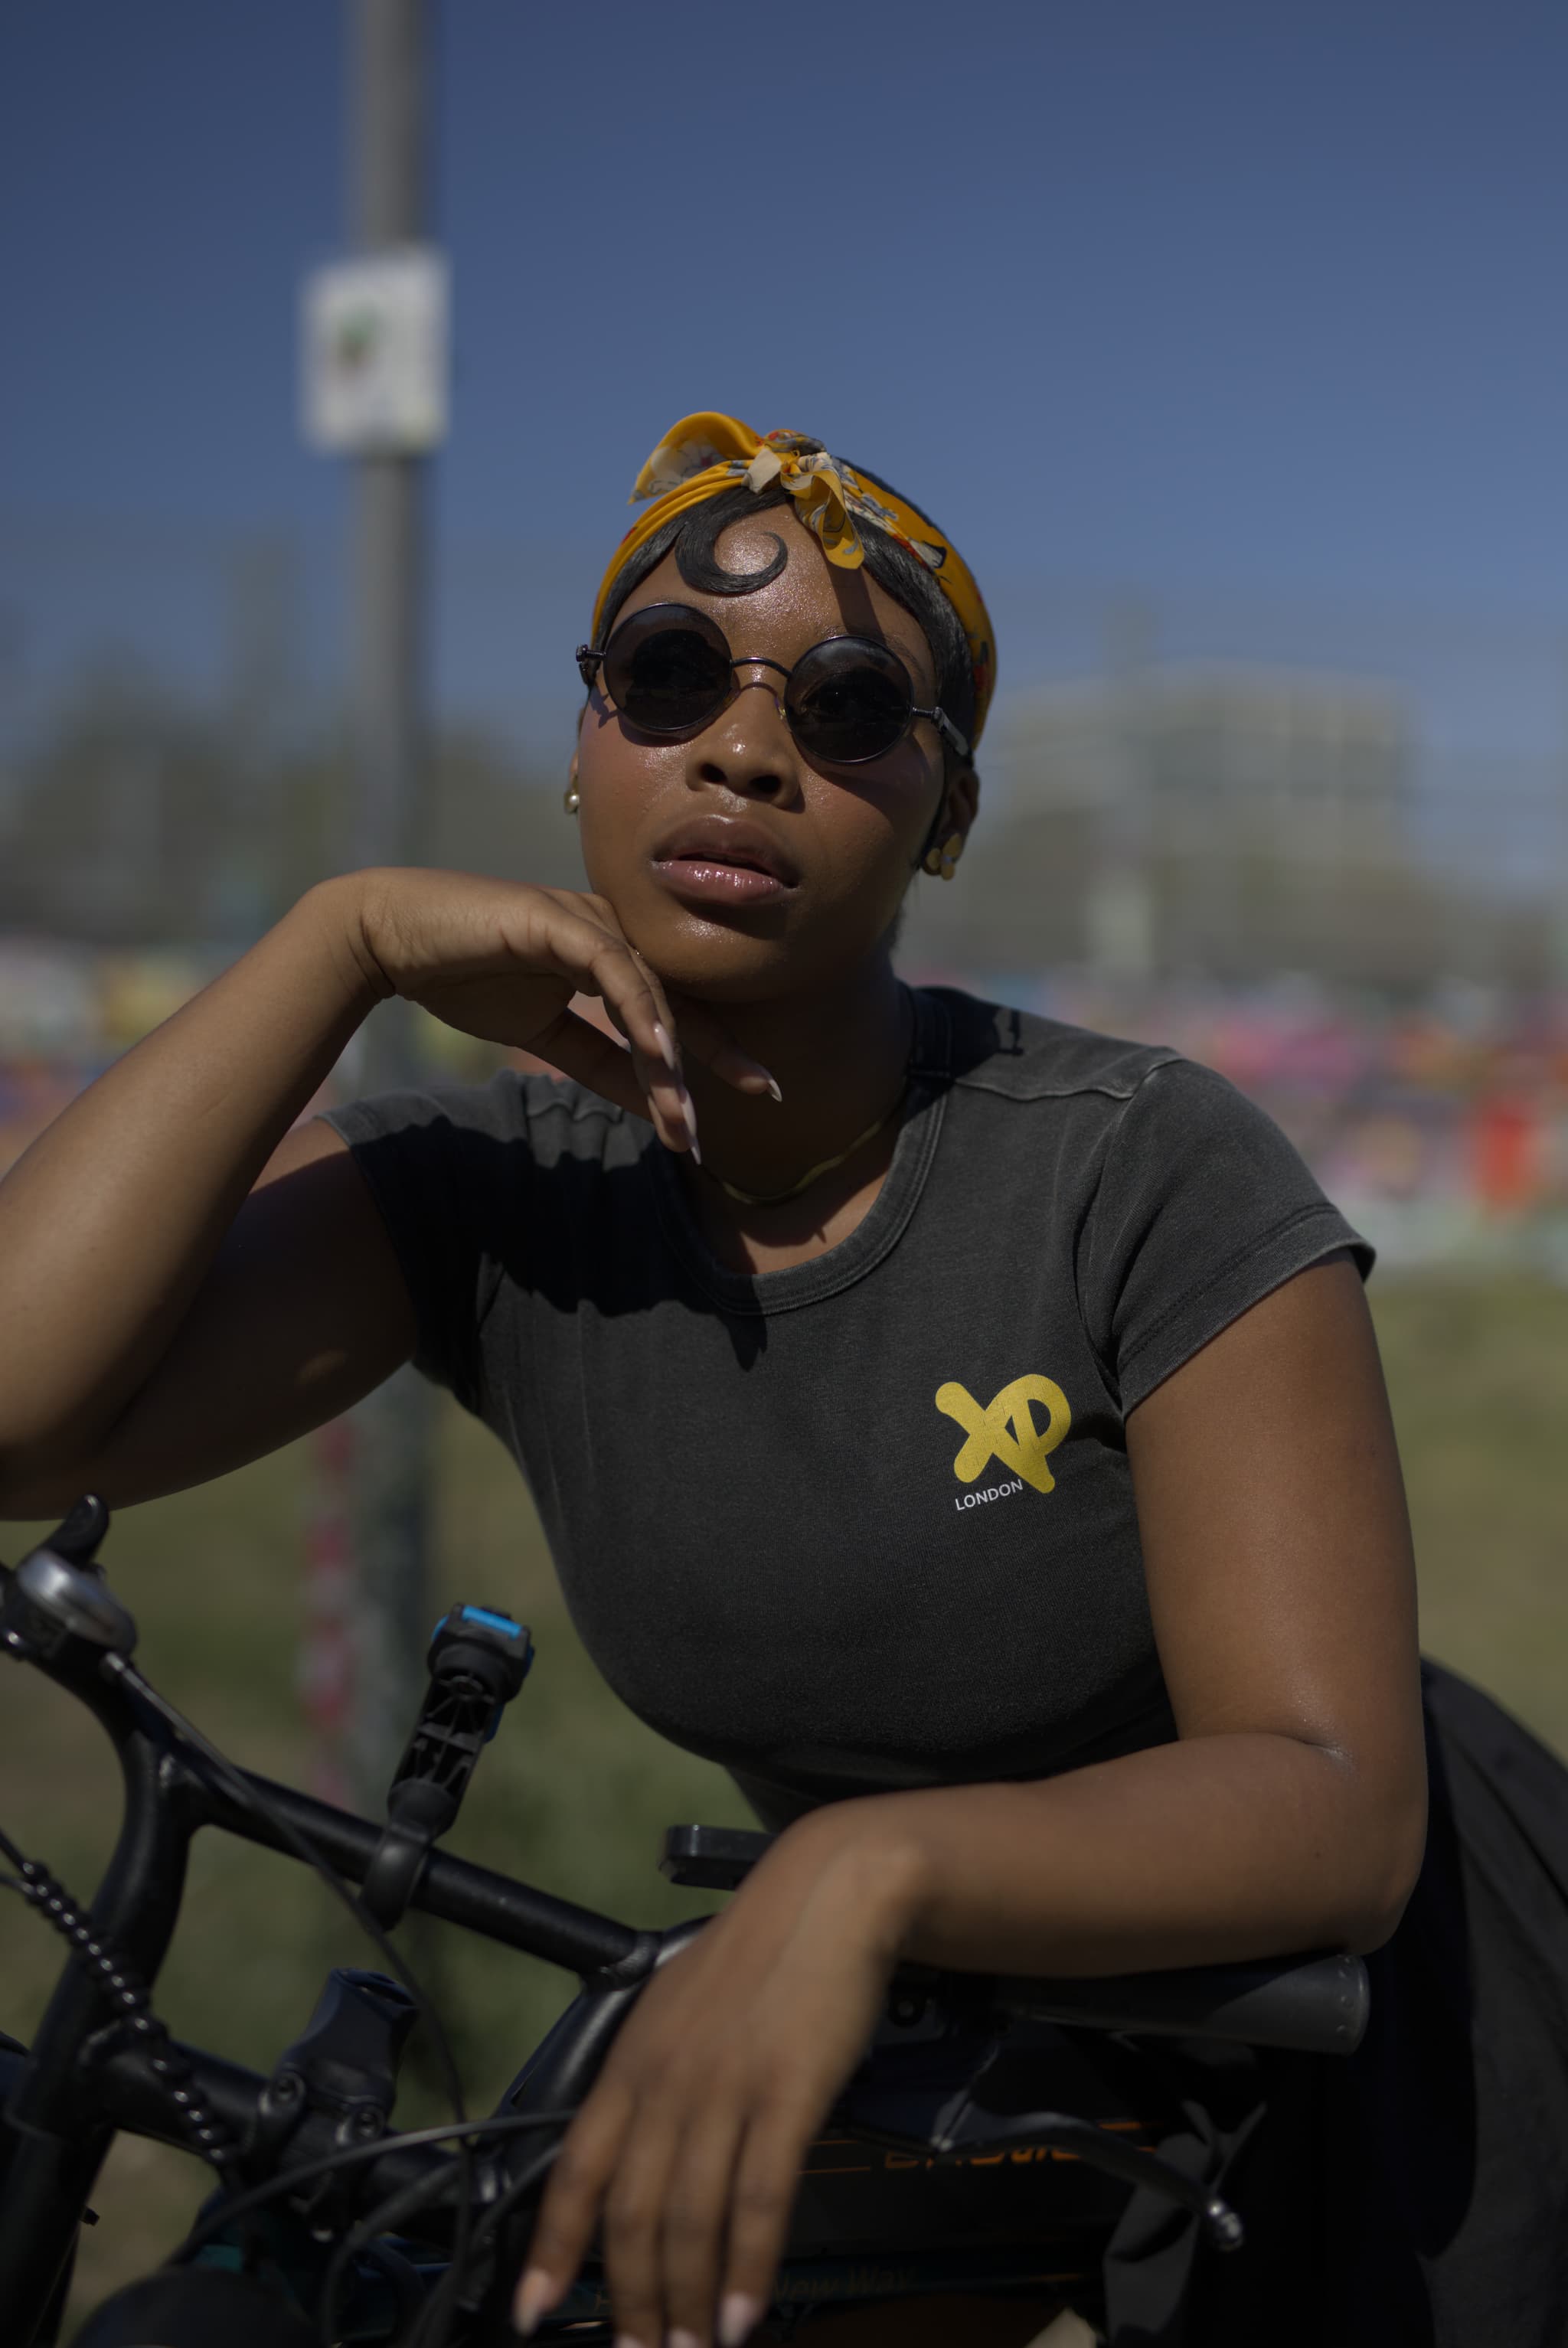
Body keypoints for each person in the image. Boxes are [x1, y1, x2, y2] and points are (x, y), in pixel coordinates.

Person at [2, 412, 1566, 2348]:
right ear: (584, 745)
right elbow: (20, 1412)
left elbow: (1334, 1801)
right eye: (668, 681)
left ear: (943, 811)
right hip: (919, 2012)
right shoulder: (497, 1193)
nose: (744, 751)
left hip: (1348, 2033)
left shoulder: (1133, 1158)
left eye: (846, 708)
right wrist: (342, 945)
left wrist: (859, 1870)